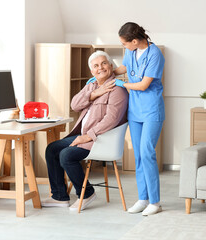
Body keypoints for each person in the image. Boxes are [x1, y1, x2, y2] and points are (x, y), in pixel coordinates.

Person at [42, 51, 128, 211]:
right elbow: (75, 105)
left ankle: (87, 193)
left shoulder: (118, 90)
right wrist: (94, 93)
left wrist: (87, 137)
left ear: (111, 66)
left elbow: (111, 120)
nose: (100, 68)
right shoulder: (91, 85)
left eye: (103, 63)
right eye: (96, 66)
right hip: (83, 135)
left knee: (66, 155)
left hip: (100, 140)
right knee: (52, 149)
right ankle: (59, 196)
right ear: (91, 71)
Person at [114, 22, 165, 216]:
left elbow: (143, 85)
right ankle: (143, 199)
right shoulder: (131, 52)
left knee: (146, 153)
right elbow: (124, 68)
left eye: (125, 44)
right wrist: (104, 72)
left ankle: (155, 201)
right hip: (134, 111)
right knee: (138, 157)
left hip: (151, 110)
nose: (124, 47)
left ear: (134, 41)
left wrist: (122, 84)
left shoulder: (155, 55)